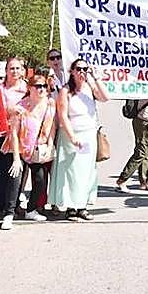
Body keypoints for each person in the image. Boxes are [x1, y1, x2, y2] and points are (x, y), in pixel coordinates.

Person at [48, 59, 109, 219]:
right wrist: (72, 136)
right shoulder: (66, 91)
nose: (82, 72)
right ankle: (71, 207)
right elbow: (62, 116)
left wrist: (96, 78)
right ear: (72, 71)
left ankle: (82, 205)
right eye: (79, 69)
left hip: (89, 134)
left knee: (87, 171)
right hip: (71, 135)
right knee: (71, 172)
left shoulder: (90, 87)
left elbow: (105, 97)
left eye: (85, 69)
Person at [5, 68, 58, 226]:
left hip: (38, 149)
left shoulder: (50, 103)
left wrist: (49, 145)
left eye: (43, 86)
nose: (41, 89)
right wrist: (15, 158)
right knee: (15, 179)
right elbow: (13, 133)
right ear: (30, 88)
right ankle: (9, 213)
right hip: (20, 149)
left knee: (40, 179)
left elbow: (52, 126)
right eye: (37, 86)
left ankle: (31, 209)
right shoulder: (20, 107)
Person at [0, 57, 29, 217]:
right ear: (6, 71)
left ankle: (13, 203)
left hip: (23, 136)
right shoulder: (0, 89)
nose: (14, 71)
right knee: (1, 172)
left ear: (22, 71)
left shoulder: (28, 88)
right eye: (11, 68)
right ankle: (2, 203)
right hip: (2, 134)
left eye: (17, 68)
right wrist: (9, 110)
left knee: (19, 172)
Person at [116, 96, 148, 192]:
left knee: (145, 153)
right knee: (141, 153)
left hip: (147, 120)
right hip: (145, 120)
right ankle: (122, 180)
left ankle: (144, 181)